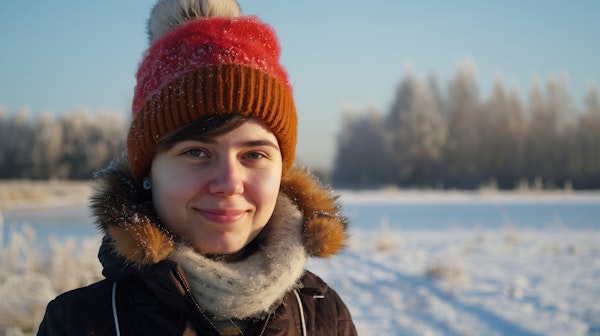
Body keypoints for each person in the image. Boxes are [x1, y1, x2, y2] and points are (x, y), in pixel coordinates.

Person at [37, 0, 357, 335]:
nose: (229, 183)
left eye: (254, 155)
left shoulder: (323, 316)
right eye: (196, 152)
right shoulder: (81, 322)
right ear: (148, 172)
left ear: (281, 173)